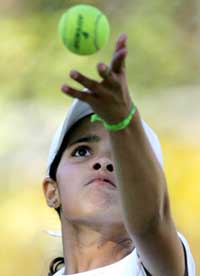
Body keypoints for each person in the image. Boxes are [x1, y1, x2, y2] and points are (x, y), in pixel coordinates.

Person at [42, 34, 195, 276]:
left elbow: (150, 223)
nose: (103, 162)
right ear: (52, 192)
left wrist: (123, 121)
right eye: (82, 151)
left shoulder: (151, 267)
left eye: (121, 161)